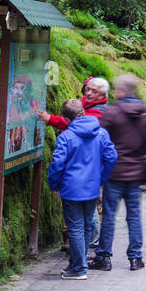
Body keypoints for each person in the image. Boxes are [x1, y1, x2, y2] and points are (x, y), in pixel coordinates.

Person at [95, 74, 146, 271]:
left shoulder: (112, 113)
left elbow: (100, 140)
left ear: (120, 91)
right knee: (134, 216)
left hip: (114, 172)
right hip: (136, 172)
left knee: (108, 216)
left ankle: (104, 257)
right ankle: (135, 258)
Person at [38, 77, 109, 259]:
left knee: (85, 219)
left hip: (83, 174)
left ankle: (85, 255)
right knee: (85, 219)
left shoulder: (97, 114)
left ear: (102, 94)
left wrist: (51, 119)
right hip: (90, 172)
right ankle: (83, 254)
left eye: (93, 91)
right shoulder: (88, 110)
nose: (88, 93)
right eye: (87, 89)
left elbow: (72, 128)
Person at [48, 99, 117, 280]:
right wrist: (102, 177)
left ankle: (78, 268)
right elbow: (111, 156)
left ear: (65, 117)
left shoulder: (66, 137)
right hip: (92, 186)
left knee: (76, 227)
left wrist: (54, 184)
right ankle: (78, 263)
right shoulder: (101, 133)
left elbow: (57, 163)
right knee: (87, 225)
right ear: (83, 112)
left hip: (71, 188)